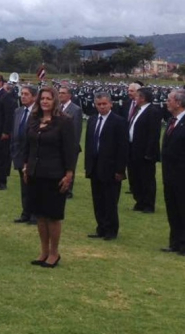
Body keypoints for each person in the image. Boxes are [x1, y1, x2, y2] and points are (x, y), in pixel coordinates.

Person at [22, 87, 76, 268]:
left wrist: (69, 173)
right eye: (42, 98)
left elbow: (70, 150)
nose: (45, 101)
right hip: (35, 173)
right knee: (39, 215)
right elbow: (27, 145)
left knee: (52, 216)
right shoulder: (34, 120)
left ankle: (54, 253)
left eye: (49, 98)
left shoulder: (64, 122)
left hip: (54, 174)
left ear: (55, 102)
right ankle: (43, 251)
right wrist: (25, 165)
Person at [85, 92, 129, 241]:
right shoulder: (92, 120)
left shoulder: (119, 121)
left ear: (110, 104)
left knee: (110, 200)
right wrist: (87, 165)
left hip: (111, 167)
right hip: (95, 165)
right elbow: (89, 144)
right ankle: (101, 228)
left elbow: (123, 148)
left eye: (104, 104)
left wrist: (120, 170)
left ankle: (111, 229)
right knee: (97, 199)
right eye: (99, 104)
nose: (102, 107)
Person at [127, 87, 161, 213]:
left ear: (143, 98)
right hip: (132, 149)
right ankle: (139, 201)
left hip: (144, 152)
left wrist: (149, 152)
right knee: (134, 177)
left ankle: (148, 204)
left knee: (146, 178)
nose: (134, 98)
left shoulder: (153, 111)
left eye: (136, 96)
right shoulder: (137, 110)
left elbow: (154, 134)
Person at [161, 89, 185, 255]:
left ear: (178, 102)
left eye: (169, 100)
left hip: (182, 174)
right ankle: (175, 242)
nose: (166, 102)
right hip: (169, 174)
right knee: (173, 209)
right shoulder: (172, 120)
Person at [11, 85, 37, 224]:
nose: (23, 96)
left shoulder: (38, 113)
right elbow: (14, 132)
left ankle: (35, 214)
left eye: (26, 94)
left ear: (34, 97)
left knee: (33, 184)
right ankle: (25, 213)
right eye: (22, 94)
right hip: (19, 153)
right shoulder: (18, 111)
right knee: (24, 185)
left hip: (33, 154)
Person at [58, 85, 83, 199]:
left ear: (69, 95)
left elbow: (76, 129)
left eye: (63, 93)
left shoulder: (75, 109)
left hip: (70, 144)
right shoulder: (57, 107)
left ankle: (68, 190)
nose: (60, 95)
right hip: (58, 143)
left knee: (69, 167)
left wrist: (72, 146)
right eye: (59, 92)